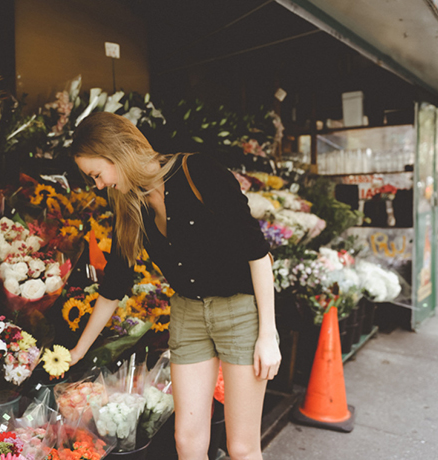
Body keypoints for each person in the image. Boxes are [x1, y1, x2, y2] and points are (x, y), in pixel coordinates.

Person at [67, 112, 281, 460]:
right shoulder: (128, 202)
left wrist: (268, 336)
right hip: (188, 313)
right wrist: (77, 351)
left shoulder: (200, 172)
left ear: (117, 153)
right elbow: (117, 282)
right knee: (187, 441)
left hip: (239, 310)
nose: (98, 185)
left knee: (241, 447)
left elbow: (258, 254)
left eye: (96, 174)